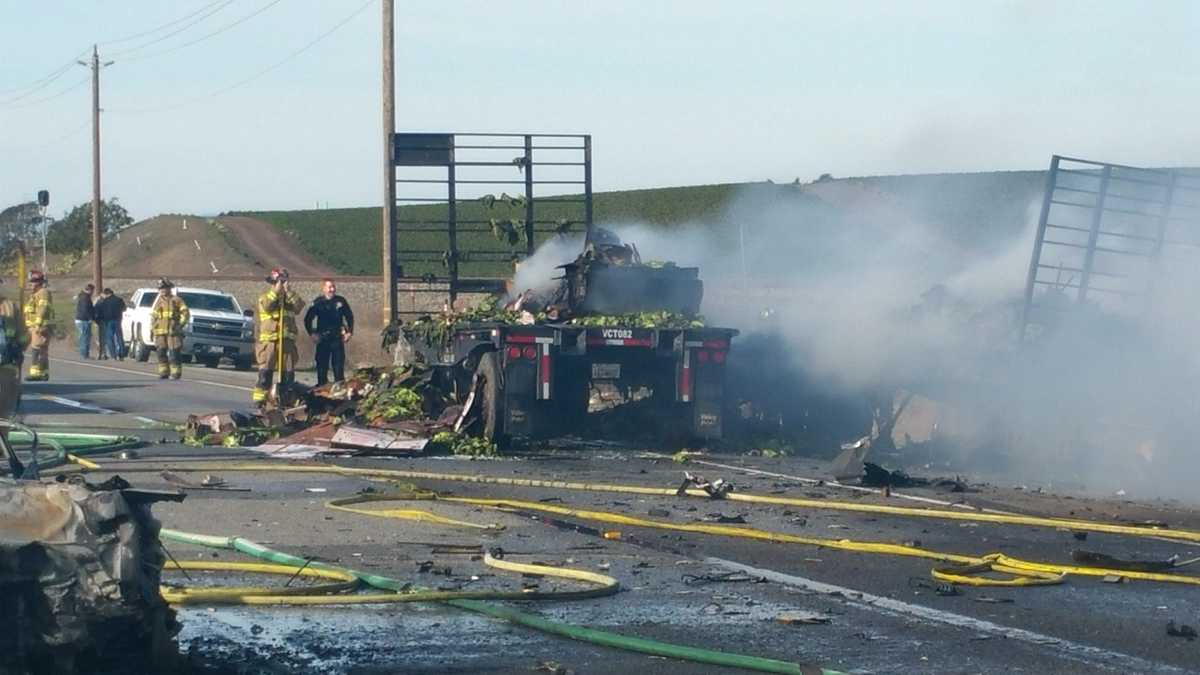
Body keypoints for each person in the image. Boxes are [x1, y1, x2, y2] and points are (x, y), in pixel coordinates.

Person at [252, 268, 305, 405]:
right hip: (269, 343)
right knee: (265, 376)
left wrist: (288, 292)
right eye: (279, 282)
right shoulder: (265, 297)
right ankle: (260, 402)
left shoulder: (290, 298)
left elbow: (299, 307)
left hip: (286, 343)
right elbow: (268, 306)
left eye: (284, 281)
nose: (281, 284)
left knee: (288, 376)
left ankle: (284, 402)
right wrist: (277, 290)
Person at [303, 278, 354, 386]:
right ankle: (322, 390)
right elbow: (308, 319)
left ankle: (339, 391)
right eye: (329, 287)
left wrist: (349, 332)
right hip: (323, 338)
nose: (332, 289)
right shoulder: (318, 302)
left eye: (333, 287)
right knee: (322, 366)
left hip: (337, 338)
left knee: (338, 366)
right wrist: (312, 334)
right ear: (324, 289)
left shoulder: (341, 301)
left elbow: (349, 316)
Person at [0, 276, 29, 419]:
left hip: (7, 365)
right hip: (8, 366)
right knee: (4, 411)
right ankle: (2, 440)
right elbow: (24, 336)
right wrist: (18, 349)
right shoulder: (10, 306)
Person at [149, 279, 189, 380]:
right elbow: (154, 317)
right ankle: (164, 372)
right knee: (161, 352)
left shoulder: (177, 300)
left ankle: (176, 373)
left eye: (163, 288)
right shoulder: (158, 302)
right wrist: (152, 329)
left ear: (169, 289)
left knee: (174, 353)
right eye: (160, 289)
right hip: (160, 332)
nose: (161, 290)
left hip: (173, 332)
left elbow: (186, 314)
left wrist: (179, 325)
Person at [23, 270, 52, 382]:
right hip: (35, 327)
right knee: (42, 350)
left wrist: (38, 324)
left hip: (39, 327)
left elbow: (42, 309)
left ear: (38, 282)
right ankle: (44, 373)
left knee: (37, 350)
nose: (30, 284)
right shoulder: (35, 294)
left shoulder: (43, 292)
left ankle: (36, 373)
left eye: (32, 282)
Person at [96, 288, 126, 361]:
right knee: (119, 338)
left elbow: (100, 311)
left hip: (108, 321)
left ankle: (113, 355)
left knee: (110, 338)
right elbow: (124, 308)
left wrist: (98, 320)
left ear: (107, 294)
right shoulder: (119, 300)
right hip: (118, 321)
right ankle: (121, 355)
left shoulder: (104, 301)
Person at [74, 283, 95, 359]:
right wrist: (90, 318)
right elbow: (85, 309)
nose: (93, 293)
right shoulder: (85, 298)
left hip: (80, 319)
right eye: (92, 291)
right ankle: (84, 354)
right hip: (84, 320)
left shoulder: (82, 296)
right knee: (85, 337)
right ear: (90, 290)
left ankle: (84, 353)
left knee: (83, 336)